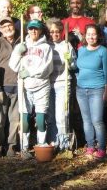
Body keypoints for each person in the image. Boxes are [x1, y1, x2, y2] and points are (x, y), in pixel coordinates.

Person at [9, 19, 53, 159]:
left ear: (40, 30)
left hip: (41, 85)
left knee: (40, 118)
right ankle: (25, 147)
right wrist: (17, 53)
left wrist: (30, 72)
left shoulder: (46, 47)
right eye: (31, 28)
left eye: (36, 29)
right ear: (27, 30)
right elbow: (13, 66)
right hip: (25, 86)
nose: (33, 31)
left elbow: (47, 68)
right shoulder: (21, 46)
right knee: (25, 118)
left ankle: (41, 144)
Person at [76, 24, 107, 159]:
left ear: (98, 36)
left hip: (97, 89)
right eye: (88, 34)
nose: (91, 36)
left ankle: (101, 147)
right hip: (81, 89)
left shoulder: (103, 51)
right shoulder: (81, 50)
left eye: (94, 34)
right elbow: (77, 68)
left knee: (97, 120)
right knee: (86, 120)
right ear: (85, 35)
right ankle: (90, 145)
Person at [0, 17, 20, 158]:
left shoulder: (22, 42)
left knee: (15, 119)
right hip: (2, 87)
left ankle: (12, 146)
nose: (7, 28)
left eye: (10, 25)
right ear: (0, 29)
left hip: (19, 86)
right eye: (4, 26)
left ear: (14, 26)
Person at [45, 18, 77, 152]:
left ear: (61, 32)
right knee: (50, 116)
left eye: (57, 31)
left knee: (62, 116)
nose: (54, 34)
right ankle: (53, 141)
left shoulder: (66, 45)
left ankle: (63, 144)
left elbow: (74, 66)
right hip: (47, 84)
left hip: (62, 84)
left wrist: (69, 60)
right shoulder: (46, 45)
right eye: (51, 32)